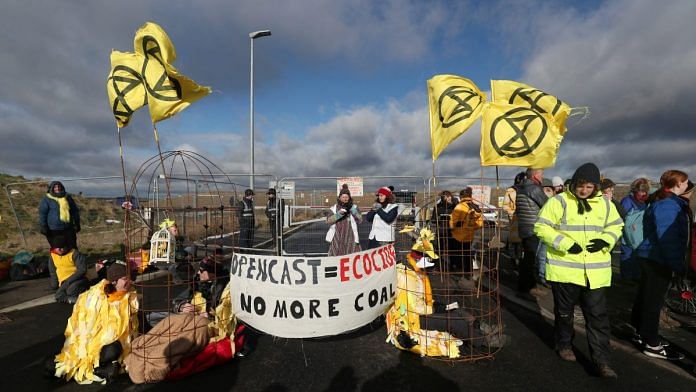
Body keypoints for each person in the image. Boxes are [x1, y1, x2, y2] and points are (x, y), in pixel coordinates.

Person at [535, 162, 623, 378]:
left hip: (596, 274)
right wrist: (564, 243)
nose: (584, 190)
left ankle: (602, 361)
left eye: (589, 187)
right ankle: (564, 344)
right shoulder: (559, 202)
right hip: (565, 272)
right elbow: (541, 226)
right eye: (581, 186)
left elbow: (616, 226)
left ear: (596, 188)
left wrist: (606, 241)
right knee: (564, 313)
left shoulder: (605, 205)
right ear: (574, 184)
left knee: (597, 318)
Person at [631, 170, 690, 361]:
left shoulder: (665, 202)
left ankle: (641, 332)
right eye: (685, 182)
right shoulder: (668, 205)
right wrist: (678, 265)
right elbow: (668, 239)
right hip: (657, 259)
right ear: (677, 183)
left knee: (646, 297)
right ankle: (651, 342)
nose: (687, 185)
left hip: (652, 256)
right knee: (653, 301)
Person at [51, 261, 139, 384]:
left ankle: (105, 368)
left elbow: (136, 322)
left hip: (117, 344)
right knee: (112, 350)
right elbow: (84, 327)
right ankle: (98, 367)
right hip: (92, 346)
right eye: (125, 279)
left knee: (115, 348)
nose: (129, 282)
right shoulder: (96, 297)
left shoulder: (131, 297)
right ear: (114, 281)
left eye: (130, 278)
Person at [516, 168, 548, 296]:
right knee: (531, 260)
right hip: (533, 227)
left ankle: (526, 286)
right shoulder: (534, 189)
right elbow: (548, 204)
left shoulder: (521, 188)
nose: (542, 177)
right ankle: (526, 288)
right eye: (541, 174)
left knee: (527, 259)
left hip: (524, 227)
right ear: (535, 175)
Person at [619, 178, 651, 280]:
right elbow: (621, 219)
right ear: (634, 191)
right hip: (627, 239)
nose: (643, 195)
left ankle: (636, 277)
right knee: (628, 258)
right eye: (641, 192)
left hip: (640, 237)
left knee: (638, 259)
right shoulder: (627, 202)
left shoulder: (646, 202)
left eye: (646, 192)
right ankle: (627, 279)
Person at [449, 187, 483, 276]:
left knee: (458, 255)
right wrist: (470, 227)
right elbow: (480, 224)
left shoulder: (460, 207)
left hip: (458, 236)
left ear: (461, 197)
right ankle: (468, 273)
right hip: (469, 235)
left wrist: (452, 228)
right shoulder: (476, 207)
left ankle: (459, 273)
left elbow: (452, 222)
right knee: (467, 254)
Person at [39, 181, 81, 250]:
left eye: (59, 186)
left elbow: (74, 211)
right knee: (57, 248)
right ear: (51, 188)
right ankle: (58, 260)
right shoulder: (47, 199)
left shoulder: (68, 197)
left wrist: (77, 223)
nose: (57, 188)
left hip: (68, 227)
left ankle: (74, 259)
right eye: (55, 187)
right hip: (54, 229)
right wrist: (43, 226)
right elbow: (43, 213)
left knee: (72, 246)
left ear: (62, 187)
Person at [326, 184, 362, 256]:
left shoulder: (354, 207)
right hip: (337, 236)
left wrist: (353, 210)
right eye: (343, 197)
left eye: (346, 197)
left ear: (349, 198)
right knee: (336, 256)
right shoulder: (333, 208)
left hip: (351, 237)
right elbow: (328, 221)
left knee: (353, 256)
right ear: (339, 197)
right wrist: (339, 214)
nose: (345, 199)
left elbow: (360, 220)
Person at [503, 172, 526, 266]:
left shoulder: (527, 190)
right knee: (514, 240)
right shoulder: (510, 190)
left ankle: (521, 260)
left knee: (523, 240)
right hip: (514, 219)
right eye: (523, 179)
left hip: (525, 218)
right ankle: (513, 258)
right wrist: (512, 213)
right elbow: (505, 206)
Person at [430, 190, 457, 259]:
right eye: (446, 197)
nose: (448, 198)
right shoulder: (438, 207)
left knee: (453, 248)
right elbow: (433, 219)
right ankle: (438, 262)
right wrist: (439, 219)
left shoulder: (455, 206)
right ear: (442, 198)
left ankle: (453, 264)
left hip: (452, 230)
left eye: (449, 196)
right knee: (440, 247)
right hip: (441, 230)